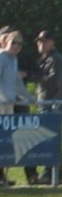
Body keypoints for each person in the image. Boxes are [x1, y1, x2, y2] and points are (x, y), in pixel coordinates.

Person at [29, 30, 62, 186]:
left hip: (54, 104)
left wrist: (36, 76)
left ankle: (55, 174)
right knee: (47, 140)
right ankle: (50, 173)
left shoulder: (56, 59)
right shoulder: (43, 59)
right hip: (45, 103)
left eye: (44, 41)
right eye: (39, 41)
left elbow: (55, 80)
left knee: (52, 140)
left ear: (52, 42)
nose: (41, 44)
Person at [0, 29, 24, 186]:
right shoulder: (2, 57)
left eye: (19, 44)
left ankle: (2, 176)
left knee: (5, 142)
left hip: (9, 105)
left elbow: (17, 82)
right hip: (0, 104)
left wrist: (28, 98)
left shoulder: (14, 60)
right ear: (6, 42)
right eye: (13, 42)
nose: (16, 46)